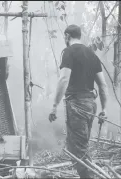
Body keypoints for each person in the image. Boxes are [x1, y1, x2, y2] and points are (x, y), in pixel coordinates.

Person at [48, 24, 109, 178]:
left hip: (77, 106)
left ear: (67, 36)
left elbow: (63, 79)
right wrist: (104, 109)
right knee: (81, 146)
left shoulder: (68, 52)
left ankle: (90, 176)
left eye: (64, 37)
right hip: (90, 105)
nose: (64, 39)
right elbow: (103, 85)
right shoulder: (92, 54)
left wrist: (54, 106)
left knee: (78, 150)